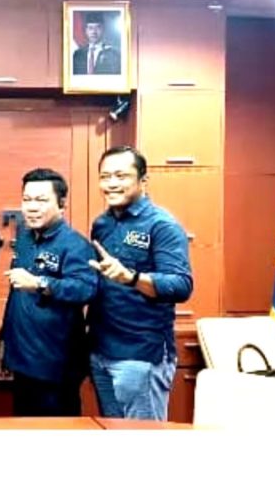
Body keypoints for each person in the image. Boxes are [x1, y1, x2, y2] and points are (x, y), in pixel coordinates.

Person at [86, 145, 193, 421]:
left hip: (140, 356)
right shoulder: (101, 224)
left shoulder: (162, 225)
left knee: (143, 440)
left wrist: (131, 278)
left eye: (121, 176)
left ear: (143, 180)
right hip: (101, 352)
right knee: (113, 434)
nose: (111, 183)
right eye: (105, 176)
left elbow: (181, 284)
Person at [0, 168, 97, 417]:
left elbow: (85, 288)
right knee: (24, 430)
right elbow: (16, 292)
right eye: (27, 199)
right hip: (23, 359)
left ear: (61, 204)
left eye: (41, 200)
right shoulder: (25, 238)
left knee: (54, 434)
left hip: (56, 364)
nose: (32, 207)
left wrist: (40, 283)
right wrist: (5, 341)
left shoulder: (76, 245)